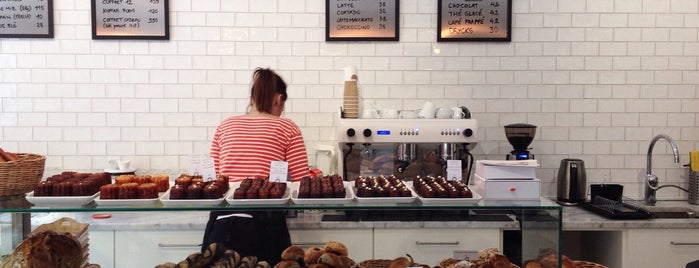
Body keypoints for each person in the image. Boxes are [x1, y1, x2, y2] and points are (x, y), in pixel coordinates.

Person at [202, 68, 310, 266]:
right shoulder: (287, 127)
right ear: (278, 99)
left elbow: (214, 179)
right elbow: (302, 182)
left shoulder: (225, 125)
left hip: (220, 222)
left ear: (252, 98)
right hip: (264, 224)